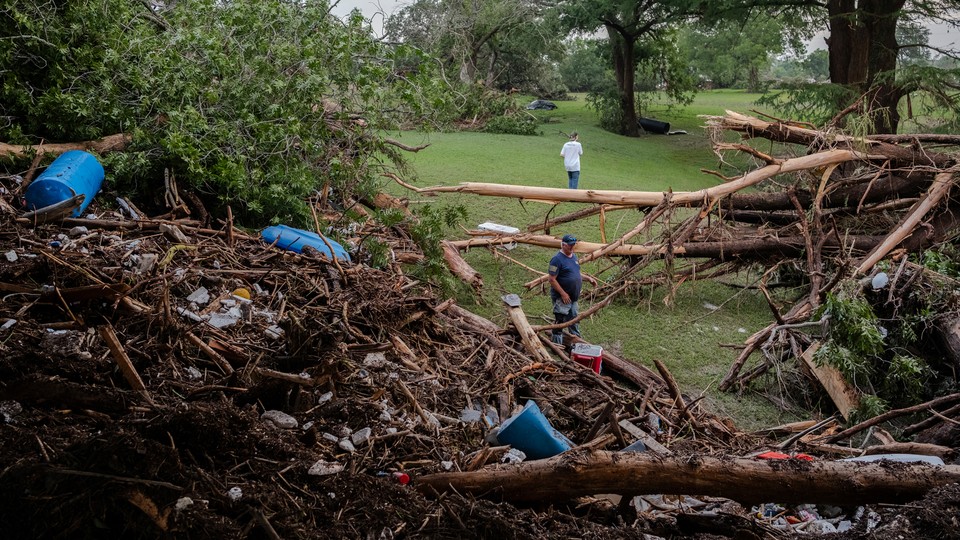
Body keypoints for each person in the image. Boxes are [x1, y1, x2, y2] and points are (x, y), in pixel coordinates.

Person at [547, 234, 597, 344]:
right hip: (562, 298)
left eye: (573, 245)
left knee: (574, 320)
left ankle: (577, 342)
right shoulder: (556, 260)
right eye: (570, 245)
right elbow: (552, 279)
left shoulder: (573, 256)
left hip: (573, 298)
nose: (572, 247)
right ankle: (556, 345)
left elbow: (575, 273)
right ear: (563, 245)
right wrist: (563, 294)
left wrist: (588, 278)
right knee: (560, 321)